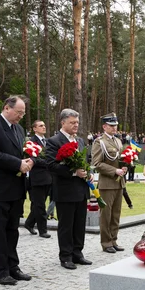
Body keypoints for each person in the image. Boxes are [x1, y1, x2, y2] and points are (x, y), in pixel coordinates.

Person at [0, 95, 34, 285]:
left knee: (12, 231)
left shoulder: (19, 129)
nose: (21, 116)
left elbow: (19, 153)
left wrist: (28, 160)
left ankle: (13, 267)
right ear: (6, 108)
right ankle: (1, 271)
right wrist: (17, 163)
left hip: (15, 189)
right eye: (18, 112)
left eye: (23, 113)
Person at [46, 108, 92, 269]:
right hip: (65, 190)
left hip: (81, 189)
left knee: (79, 224)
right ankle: (65, 256)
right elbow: (51, 165)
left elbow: (86, 160)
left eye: (77, 122)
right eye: (72, 122)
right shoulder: (54, 141)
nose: (75, 125)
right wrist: (73, 172)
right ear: (63, 122)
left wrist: (89, 173)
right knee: (66, 225)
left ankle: (77, 253)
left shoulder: (79, 141)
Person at [91, 113, 127, 254]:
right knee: (106, 215)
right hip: (107, 183)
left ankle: (113, 240)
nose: (114, 128)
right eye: (111, 125)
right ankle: (106, 243)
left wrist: (124, 167)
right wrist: (114, 170)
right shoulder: (99, 142)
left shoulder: (118, 141)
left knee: (116, 214)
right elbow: (97, 163)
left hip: (119, 183)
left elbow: (120, 159)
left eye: (115, 125)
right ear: (104, 126)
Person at [24, 120, 52, 238]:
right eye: (41, 126)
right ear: (34, 129)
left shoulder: (48, 141)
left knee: (38, 204)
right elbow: (32, 159)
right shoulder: (31, 142)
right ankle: (42, 230)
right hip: (37, 178)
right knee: (39, 205)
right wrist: (47, 162)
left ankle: (29, 223)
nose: (44, 127)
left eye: (44, 125)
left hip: (48, 177)